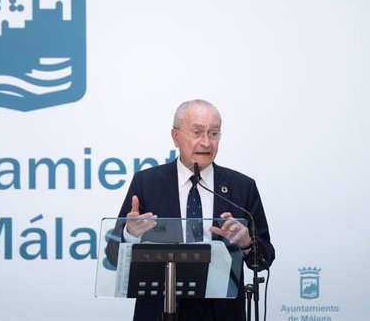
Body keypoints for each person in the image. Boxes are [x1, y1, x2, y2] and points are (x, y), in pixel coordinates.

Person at [110, 99, 275, 321]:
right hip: (161, 310)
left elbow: (266, 258)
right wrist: (130, 233)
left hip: (222, 313)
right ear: (175, 137)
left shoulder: (242, 187)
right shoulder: (146, 183)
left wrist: (247, 243)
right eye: (197, 132)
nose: (206, 142)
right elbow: (112, 254)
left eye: (214, 133)